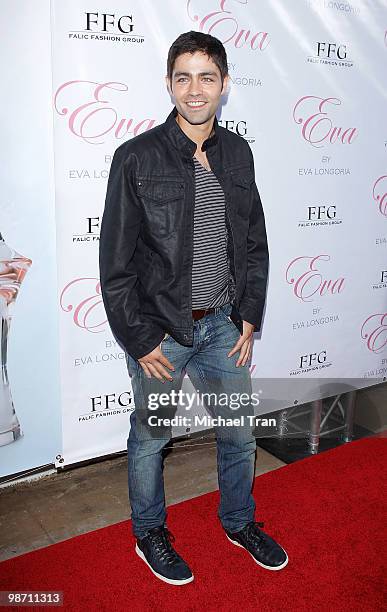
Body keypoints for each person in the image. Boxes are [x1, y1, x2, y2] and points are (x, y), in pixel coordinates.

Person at [99, 30, 287, 586]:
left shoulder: (238, 152)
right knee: (152, 438)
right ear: (169, 85)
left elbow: (253, 242)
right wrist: (140, 339)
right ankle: (149, 534)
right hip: (163, 333)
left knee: (237, 434)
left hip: (224, 328)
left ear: (224, 85)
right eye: (184, 77)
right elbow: (116, 262)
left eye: (207, 77)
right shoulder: (136, 157)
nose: (195, 89)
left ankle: (238, 522)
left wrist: (249, 314)